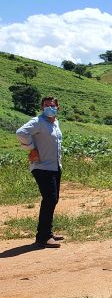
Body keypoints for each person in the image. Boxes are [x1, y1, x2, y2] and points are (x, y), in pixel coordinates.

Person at [16, 97, 64, 248]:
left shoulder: (55, 123)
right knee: (49, 199)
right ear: (42, 108)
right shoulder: (38, 121)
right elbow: (21, 132)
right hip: (42, 167)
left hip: (55, 166)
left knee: (53, 199)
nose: (49, 107)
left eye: (52, 105)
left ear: (57, 108)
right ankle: (43, 237)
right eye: (46, 105)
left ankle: (47, 232)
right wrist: (31, 149)